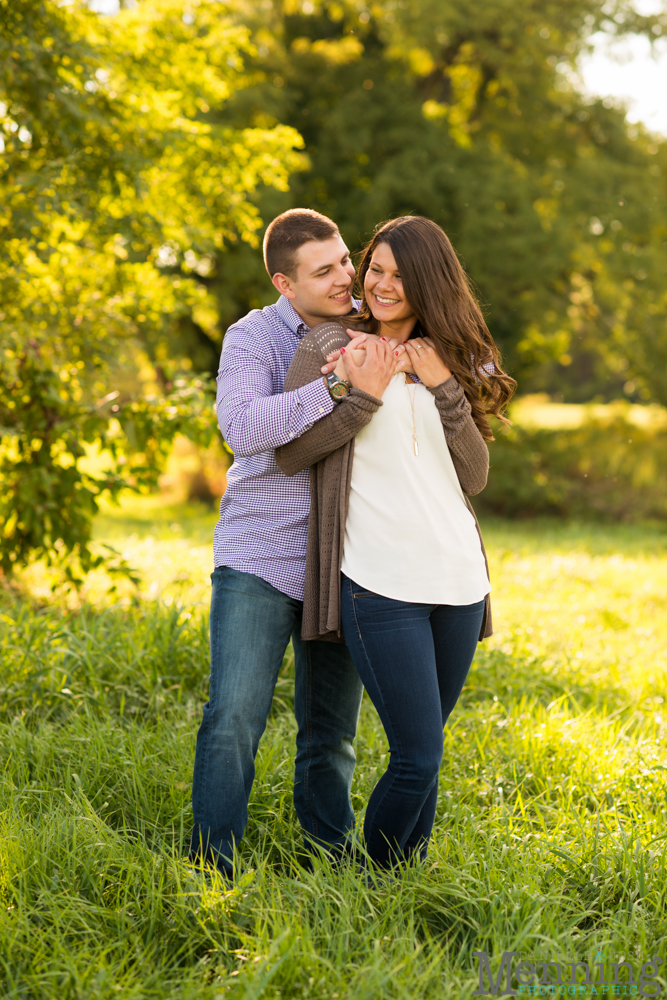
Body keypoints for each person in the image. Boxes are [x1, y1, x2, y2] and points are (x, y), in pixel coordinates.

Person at [275, 216, 516, 870]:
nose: (379, 285)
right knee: (417, 757)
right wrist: (359, 395)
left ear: (429, 282)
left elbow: (474, 475)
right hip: (377, 584)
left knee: (426, 752)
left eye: (398, 275)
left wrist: (441, 385)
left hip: (458, 582)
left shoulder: (457, 357)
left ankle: (403, 883)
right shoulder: (332, 345)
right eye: (374, 268)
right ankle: (372, 883)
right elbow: (293, 453)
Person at [189, 208, 395, 877]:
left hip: (345, 555)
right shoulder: (251, 337)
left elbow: (459, 349)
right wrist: (336, 383)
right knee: (235, 716)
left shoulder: (374, 318)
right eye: (323, 271)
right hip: (260, 553)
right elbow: (243, 428)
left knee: (332, 733)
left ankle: (328, 860)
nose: (345, 279)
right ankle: (209, 863)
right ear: (284, 282)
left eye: (343, 261)